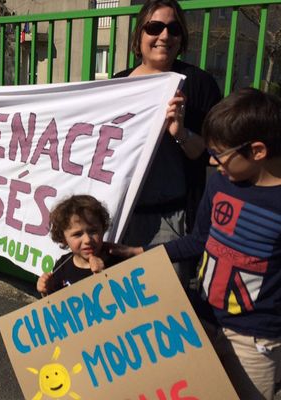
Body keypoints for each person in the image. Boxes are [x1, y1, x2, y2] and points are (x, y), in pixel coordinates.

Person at [114, 88, 281, 400]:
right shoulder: (220, 181)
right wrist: (141, 253)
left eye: (220, 154)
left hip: (256, 340)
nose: (214, 162)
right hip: (200, 319)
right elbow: (200, 240)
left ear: (257, 151)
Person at [113, 0, 221, 290]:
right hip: (121, 214)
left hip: (170, 220)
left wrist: (179, 131)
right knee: (123, 301)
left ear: (181, 37)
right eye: (154, 27)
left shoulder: (198, 84)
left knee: (167, 301)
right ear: (139, 36)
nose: (164, 36)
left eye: (173, 29)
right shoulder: (118, 83)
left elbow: (212, 153)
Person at [36, 195, 121, 297]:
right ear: (64, 239)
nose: (87, 240)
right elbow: (55, 306)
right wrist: (46, 291)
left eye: (93, 231)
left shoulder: (116, 262)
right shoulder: (62, 266)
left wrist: (104, 276)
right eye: (77, 234)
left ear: (103, 230)